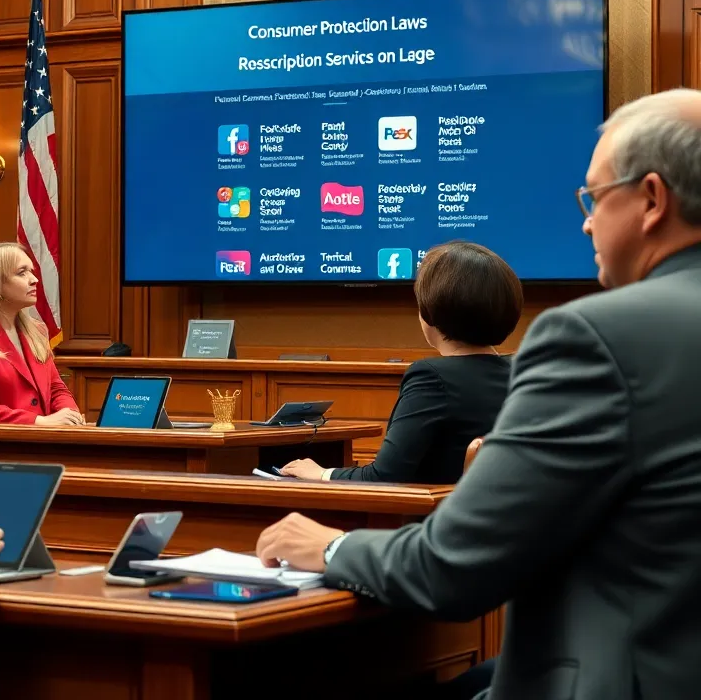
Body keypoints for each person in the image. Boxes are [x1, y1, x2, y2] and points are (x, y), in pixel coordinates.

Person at [254, 88, 701, 699]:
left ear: (651, 199)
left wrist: (330, 546)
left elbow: (455, 567)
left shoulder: (595, 338)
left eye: (595, 197)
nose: (586, 221)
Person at [280, 242, 520, 484]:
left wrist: (321, 473)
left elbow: (384, 477)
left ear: (429, 312)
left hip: (439, 508)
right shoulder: (523, 372)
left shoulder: (431, 378)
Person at [0, 242, 84, 425]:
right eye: (22, 273)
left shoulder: (37, 331)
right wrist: (39, 422)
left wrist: (70, 414)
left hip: (45, 438)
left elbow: (56, 388)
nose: (34, 279)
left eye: (31, 271)